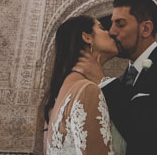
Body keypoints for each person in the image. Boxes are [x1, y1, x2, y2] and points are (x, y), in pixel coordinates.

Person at [74, 0, 157, 155]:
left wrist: (102, 80)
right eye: (111, 24)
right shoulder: (121, 81)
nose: (111, 32)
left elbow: (155, 135)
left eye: (120, 24)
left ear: (145, 29)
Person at [44, 15, 124, 155]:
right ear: (87, 37)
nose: (109, 32)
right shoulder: (87, 90)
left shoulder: (60, 93)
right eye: (101, 28)